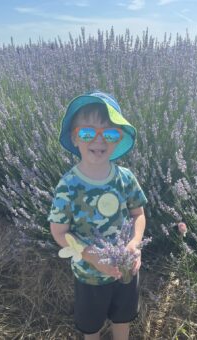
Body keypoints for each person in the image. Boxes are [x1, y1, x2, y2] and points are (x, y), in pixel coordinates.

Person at [48, 90, 148, 340]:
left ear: (118, 139)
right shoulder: (68, 185)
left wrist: (134, 244)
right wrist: (91, 257)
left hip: (125, 270)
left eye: (110, 133)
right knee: (90, 328)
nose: (98, 140)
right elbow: (58, 231)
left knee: (122, 320)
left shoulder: (125, 178)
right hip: (89, 275)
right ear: (75, 137)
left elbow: (139, 214)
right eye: (87, 132)